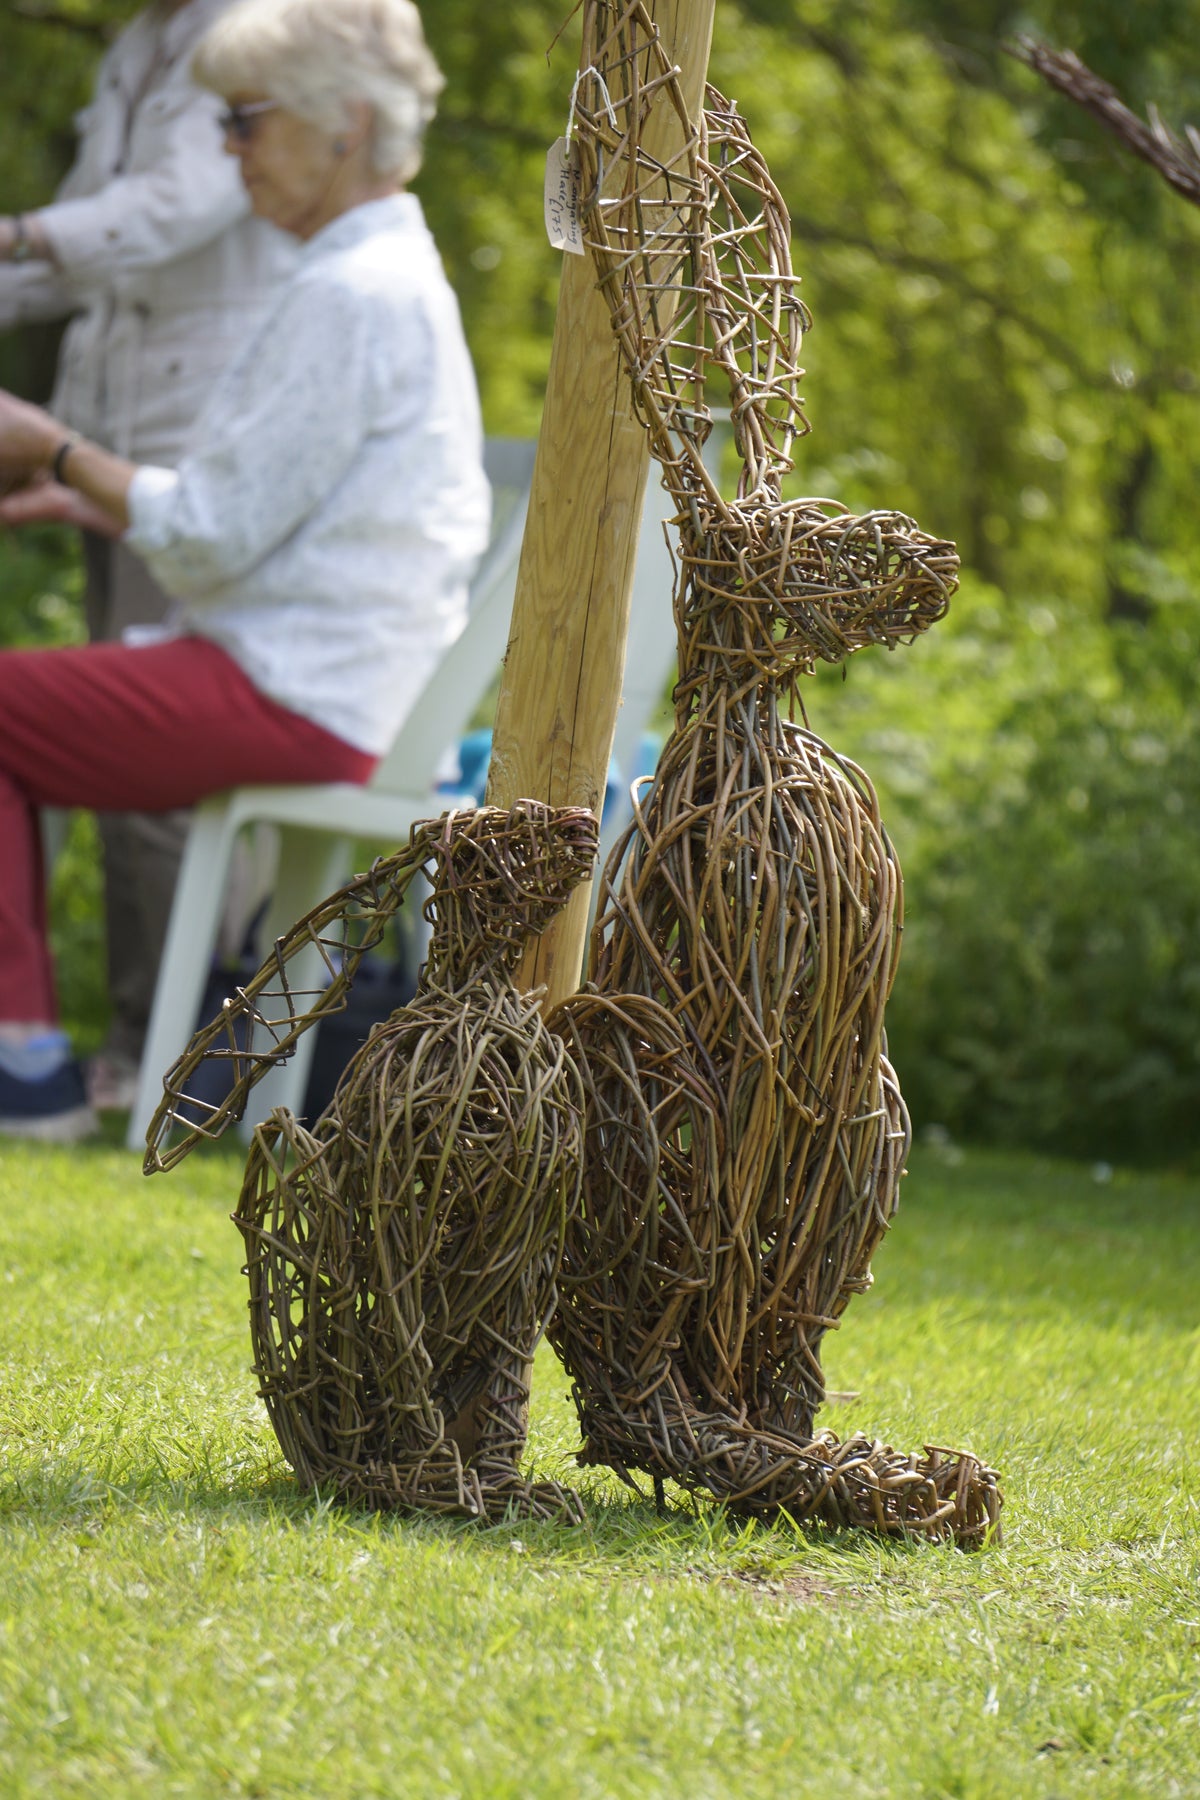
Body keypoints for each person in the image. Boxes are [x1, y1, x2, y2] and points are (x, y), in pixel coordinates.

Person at [0, 0, 490, 1142]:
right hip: (326, 677)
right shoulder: (380, 275)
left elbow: (214, 532)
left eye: (245, 121)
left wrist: (53, 445)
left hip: (299, 690)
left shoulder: (345, 293)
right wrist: (87, 493)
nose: (229, 150)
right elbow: (261, 523)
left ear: (343, 126)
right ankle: (26, 1057)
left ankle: (23, 1071)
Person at [0, 0, 298, 1109]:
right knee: (123, 766)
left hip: (193, 454)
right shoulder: (138, 45)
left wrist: (20, 235)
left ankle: (182, 1055)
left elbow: (172, 210)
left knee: (157, 773)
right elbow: (82, 242)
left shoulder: (264, 30)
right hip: (102, 443)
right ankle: (145, 1042)